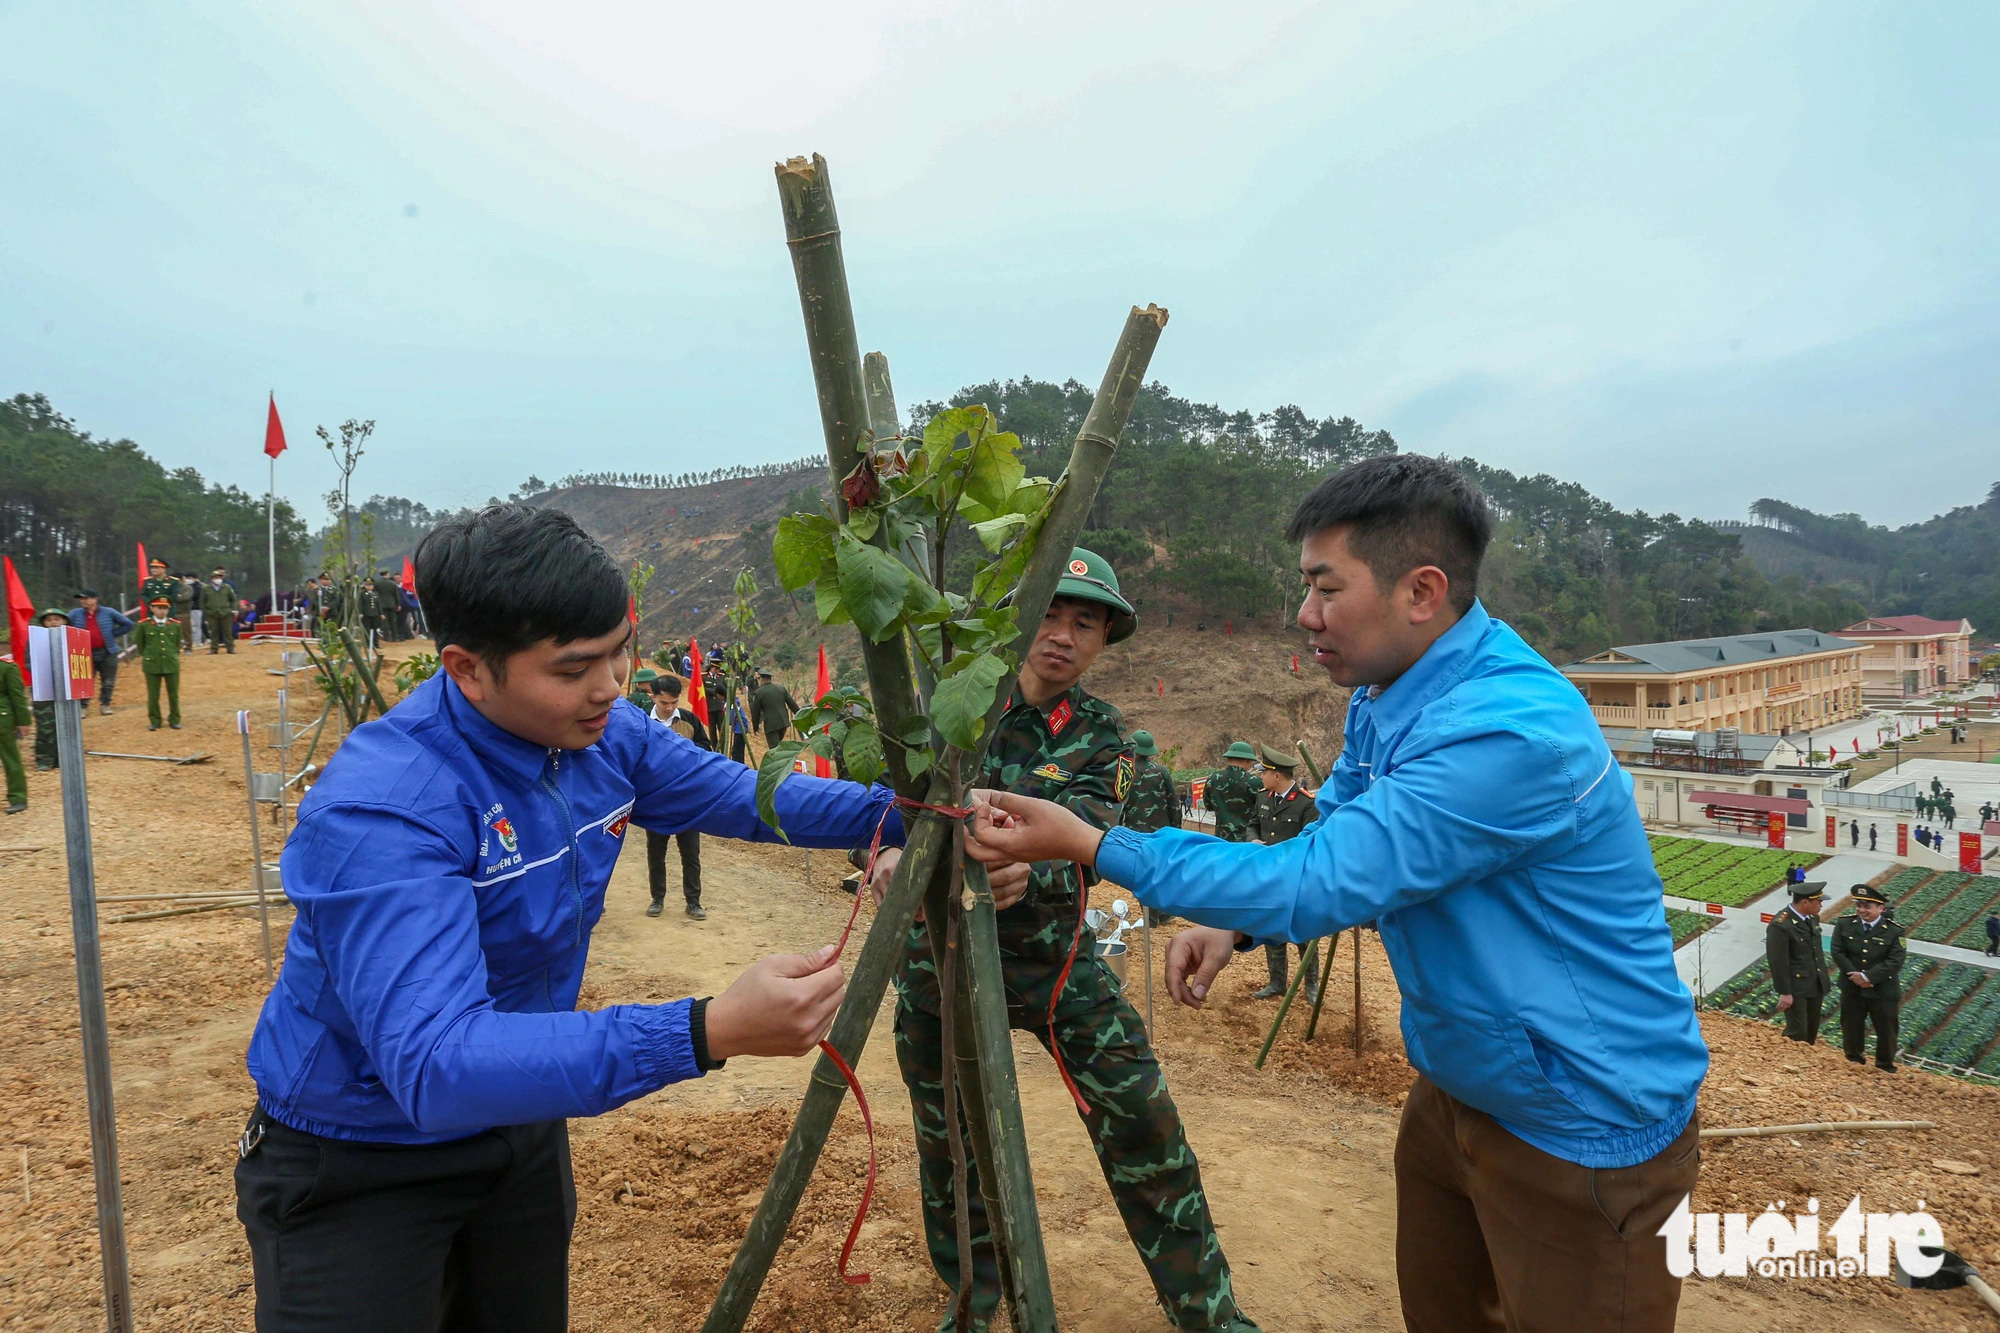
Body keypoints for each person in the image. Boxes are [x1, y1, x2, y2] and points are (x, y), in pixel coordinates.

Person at [967, 456, 1706, 1332]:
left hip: (1581, 1120)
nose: (1303, 614)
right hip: (1464, 1083)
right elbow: (1333, 829)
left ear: (1421, 591)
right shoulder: (1388, 691)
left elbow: (1319, 881)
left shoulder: (1508, 737)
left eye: (1325, 588)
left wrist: (1093, 843)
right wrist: (1225, 926)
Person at [233, 504, 905, 1330]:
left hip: (517, 1129)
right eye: (575, 666)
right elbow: (436, 1063)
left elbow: (752, 797)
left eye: (622, 650)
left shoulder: (605, 733)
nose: (614, 686)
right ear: (468, 668)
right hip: (358, 1158)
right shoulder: (387, 807)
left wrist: (911, 815)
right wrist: (706, 1029)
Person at [870, 547, 1257, 1333]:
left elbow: (1087, 832)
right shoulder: (947, 709)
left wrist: (1027, 872)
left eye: (1085, 621)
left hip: (1055, 965)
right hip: (941, 967)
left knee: (1146, 1127)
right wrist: (880, 853)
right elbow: (883, 803)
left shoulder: (1105, 735)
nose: (1062, 634)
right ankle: (975, 1309)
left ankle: (1208, 1312)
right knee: (953, 1152)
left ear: (1104, 639)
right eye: (1049, 612)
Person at [1251, 743, 1317, 1000]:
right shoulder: (1262, 797)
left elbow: (1311, 841)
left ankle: (1311, 985)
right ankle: (1277, 982)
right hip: (1269, 876)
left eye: (1264, 773)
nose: (1260, 777)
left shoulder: (1305, 804)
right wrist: (1253, 839)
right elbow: (1253, 824)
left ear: (1277, 775)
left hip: (1296, 878)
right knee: (1272, 929)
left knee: (1304, 932)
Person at [644, 674, 709, 920]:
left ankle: (693, 902)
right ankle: (657, 898)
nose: (669, 707)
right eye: (664, 703)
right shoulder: (643, 721)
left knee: (691, 853)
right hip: (655, 800)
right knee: (656, 852)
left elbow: (706, 750)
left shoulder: (690, 720)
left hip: (687, 800)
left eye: (673, 702)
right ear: (653, 697)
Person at [1830, 884, 1906, 1073]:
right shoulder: (1844, 924)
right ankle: (1854, 1060)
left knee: (1886, 1029)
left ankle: (1884, 1065)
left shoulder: (1894, 931)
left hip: (1882, 989)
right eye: (1859, 906)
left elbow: (1895, 960)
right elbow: (1837, 952)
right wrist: (1855, 976)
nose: (1862, 910)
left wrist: (1868, 976)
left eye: (1867, 907)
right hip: (1852, 987)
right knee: (1851, 1025)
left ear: (1881, 908)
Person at [1766, 882, 1829, 1044]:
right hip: (1796, 987)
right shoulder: (1781, 925)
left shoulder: (1812, 918)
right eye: (1819, 901)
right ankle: (1789, 1064)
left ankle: (1807, 1064)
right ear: (1805, 903)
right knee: (1798, 1032)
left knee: (1812, 1030)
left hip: (1815, 983)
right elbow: (1777, 962)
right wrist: (1785, 992)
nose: (1821, 905)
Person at [69, 589, 134, 715]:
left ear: (95, 599)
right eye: (81, 599)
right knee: (84, 680)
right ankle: (83, 706)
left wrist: (112, 634)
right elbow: (64, 626)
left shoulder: (108, 612)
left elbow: (128, 624)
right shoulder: (74, 614)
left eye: (86, 598)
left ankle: (105, 704)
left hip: (107, 651)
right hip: (83, 653)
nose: (83, 601)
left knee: (108, 680)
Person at [131, 597, 184, 731]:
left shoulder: (175, 625)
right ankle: (155, 720)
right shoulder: (144, 625)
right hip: (152, 664)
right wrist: (149, 656)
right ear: (152, 608)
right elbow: (140, 644)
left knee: (173, 693)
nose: (162, 611)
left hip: (171, 663)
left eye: (165, 608)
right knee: (153, 694)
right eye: (159, 608)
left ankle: (175, 719)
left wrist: (172, 655)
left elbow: (177, 644)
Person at [1119, 730, 1182, 834]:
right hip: (1160, 835)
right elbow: (1174, 804)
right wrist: (1176, 831)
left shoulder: (1125, 772)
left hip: (1133, 834)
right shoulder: (1162, 772)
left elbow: (1119, 808)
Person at [30, 608, 68, 770]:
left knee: (65, 724)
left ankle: (63, 758)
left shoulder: (71, 638)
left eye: (57, 619)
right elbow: (28, 662)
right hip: (44, 689)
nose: (53, 622)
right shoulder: (35, 640)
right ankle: (44, 760)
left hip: (67, 689)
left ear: (64, 621)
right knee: (45, 726)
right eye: (49, 619)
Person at [1201, 741, 1260, 841]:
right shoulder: (1254, 782)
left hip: (1222, 839)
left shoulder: (1213, 779)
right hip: (1248, 840)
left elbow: (1208, 806)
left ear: (1228, 758)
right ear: (1247, 761)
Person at [748, 667, 798, 756]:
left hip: (771, 725)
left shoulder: (759, 692)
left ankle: (778, 767)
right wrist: (800, 716)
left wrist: (755, 727)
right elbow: (792, 704)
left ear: (761, 679)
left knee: (774, 750)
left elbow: (755, 712)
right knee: (778, 746)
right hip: (783, 723)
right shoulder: (781, 688)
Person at [0, 646, 26, 814]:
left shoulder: (7, 667)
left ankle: (18, 798)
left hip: (3, 720)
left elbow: (17, 696)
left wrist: (23, 722)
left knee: (10, 760)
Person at [201, 568, 238, 654]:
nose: (218, 579)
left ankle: (230, 648)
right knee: (214, 632)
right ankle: (214, 649)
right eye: (216, 577)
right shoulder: (206, 588)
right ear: (211, 578)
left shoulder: (227, 587)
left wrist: (233, 609)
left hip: (226, 612)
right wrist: (206, 611)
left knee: (227, 631)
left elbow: (233, 599)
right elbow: (202, 601)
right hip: (212, 613)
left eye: (220, 577)